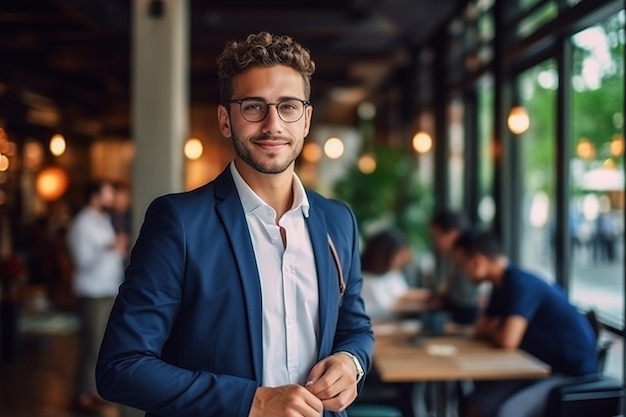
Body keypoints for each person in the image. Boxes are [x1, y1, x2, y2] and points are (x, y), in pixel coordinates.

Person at [96, 31, 374, 417]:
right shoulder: (179, 221)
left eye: (288, 106)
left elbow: (356, 329)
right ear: (226, 120)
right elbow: (121, 367)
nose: (273, 124)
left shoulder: (338, 221)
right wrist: (253, 401)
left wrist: (350, 362)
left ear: (306, 119)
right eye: (253, 107)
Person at [453, 228, 599, 417]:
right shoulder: (500, 286)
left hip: (571, 374)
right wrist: (499, 328)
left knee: (509, 413)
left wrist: (499, 328)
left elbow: (508, 340)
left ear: (478, 262)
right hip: (538, 367)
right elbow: (480, 328)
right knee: (476, 405)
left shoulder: (520, 283)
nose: (461, 272)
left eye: (461, 265)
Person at [67, 180, 127, 412]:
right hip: (92, 291)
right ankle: (83, 394)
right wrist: (110, 248)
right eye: (107, 191)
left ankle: (94, 391)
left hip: (107, 288)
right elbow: (83, 262)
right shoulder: (82, 223)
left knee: (102, 343)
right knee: (92, 344)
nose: (112, 195)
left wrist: (116, 249)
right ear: (95, 195)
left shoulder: (102, 219)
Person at [360, 228, 431, 320]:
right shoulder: (366, 279)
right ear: (383, 254)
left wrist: (429, 296)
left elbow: (402, 293)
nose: (400, 261)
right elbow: (388, 306)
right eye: (398, 256)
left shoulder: (392, 273)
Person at [428, 209, 483, 327]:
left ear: (452, 234)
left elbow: (470, 302)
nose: (434, 243)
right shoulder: (450, 259)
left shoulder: (470, 258)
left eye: (436, 237)